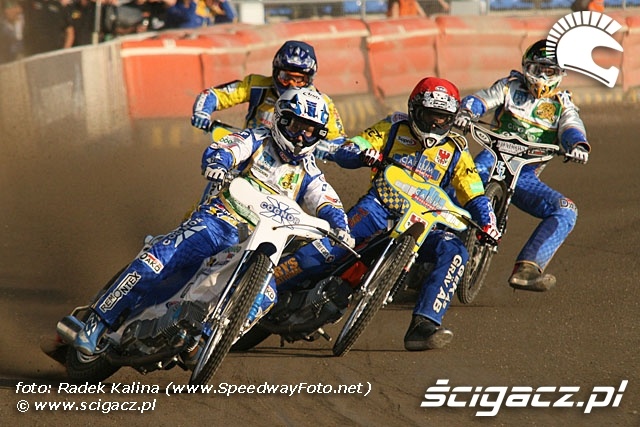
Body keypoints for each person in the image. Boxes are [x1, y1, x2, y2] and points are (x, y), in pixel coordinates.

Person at [72, 88, 354, 357]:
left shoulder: (309, 171)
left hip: (261, 245)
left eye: (310, 131)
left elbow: (328, 201)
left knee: (267, 296)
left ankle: (208, 342)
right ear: (281, 120)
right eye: (297, 127)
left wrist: (341, 228)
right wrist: (218, 163)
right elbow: (226, 149)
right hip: (219, 222)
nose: (302, 136)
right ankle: (98, 320)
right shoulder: (257, 138)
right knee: (158, 257)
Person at [274, 77, 501, 351]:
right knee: (335, 246)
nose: (434, 124)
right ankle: (269, 283)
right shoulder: (393, 126)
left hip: (423, 222)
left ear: (451, 119)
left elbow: (473, 191)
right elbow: (348, 148)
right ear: (415, 109)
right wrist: (361, 153)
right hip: (378, 208)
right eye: (430, 115)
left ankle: (424, 325)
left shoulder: (456, 149)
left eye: (441, 118)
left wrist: (488, 222)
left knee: (455, 250)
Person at [454, 39, 590, 292]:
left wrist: (577, 145)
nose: (543, 77)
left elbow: (572, 126)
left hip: (524, 175)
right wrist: (467, 112)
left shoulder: (562, 104)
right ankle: (422, 249)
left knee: (566, 210)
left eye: (550, 71)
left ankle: (528, 269)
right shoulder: (509, 86)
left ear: (560, 74)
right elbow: (482, 99)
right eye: (538, 69)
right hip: (491, 160)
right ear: (527, 68)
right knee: (455, 186)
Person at [191, 39, 347, 201]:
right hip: (247, 159)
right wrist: (203, 112)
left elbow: (340, 142)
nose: (292, 85)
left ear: (309, 79)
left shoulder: (322, 104)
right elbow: (215, 94)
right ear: (275, 72)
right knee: (209, 202)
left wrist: (328, 148)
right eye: (286, 77)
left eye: (299, 79)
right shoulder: (257, 85)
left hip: (290, 174)